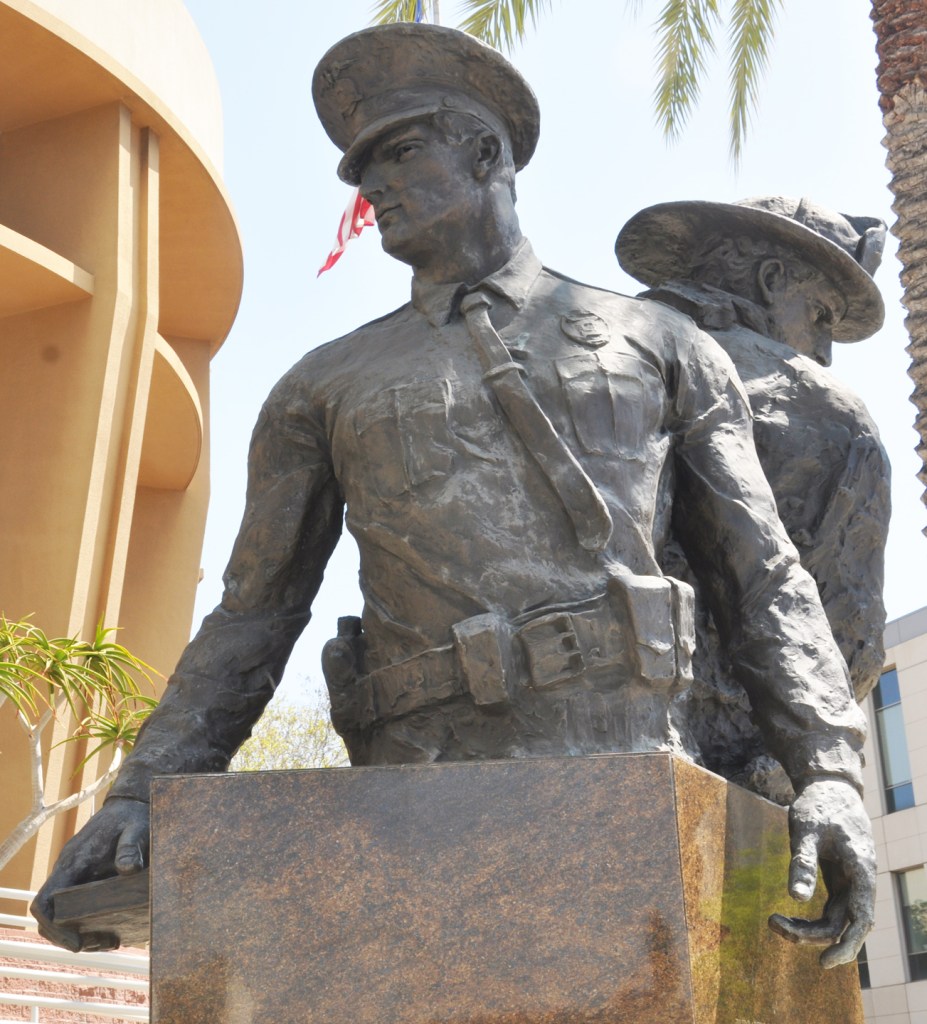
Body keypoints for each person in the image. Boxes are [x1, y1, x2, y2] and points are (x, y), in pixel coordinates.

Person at [33, 24, 874, 969]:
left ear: (484, 153)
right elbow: (252, 612)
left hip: (627, 763)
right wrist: (142, 792)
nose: (372, 188)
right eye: (361, 172)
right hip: (412, 790)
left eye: (398, 153)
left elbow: (763, 581)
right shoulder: (321, 386)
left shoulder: (663, 346)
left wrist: (830, 773)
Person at [616, 199, 890, 801]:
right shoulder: (829, 411)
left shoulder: (584, 355)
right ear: (771, 281)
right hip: (732, 772)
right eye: (821, 315)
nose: (824, 351)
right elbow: (852, 638)